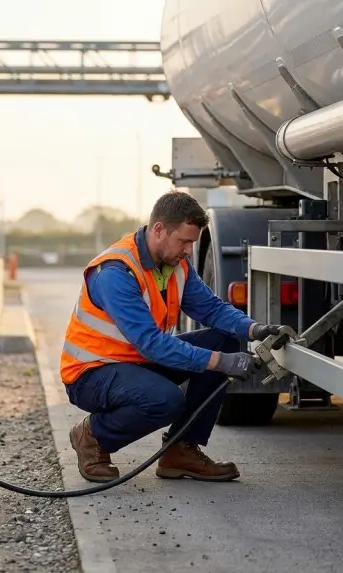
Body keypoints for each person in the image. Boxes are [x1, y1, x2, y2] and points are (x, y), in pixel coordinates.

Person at [59, 190, 287, 483]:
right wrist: (221, 362)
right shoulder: (116, 272)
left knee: (225, 339)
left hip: (135, 362)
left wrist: (253, 329)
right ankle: (93, 436)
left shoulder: (175, 263)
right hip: (92, 372)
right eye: (184, 241)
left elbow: (211, 308)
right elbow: (152, 343)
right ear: (159, 230)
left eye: (191, 242)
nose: (189, 250)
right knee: (166, 400)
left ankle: (180, 450)